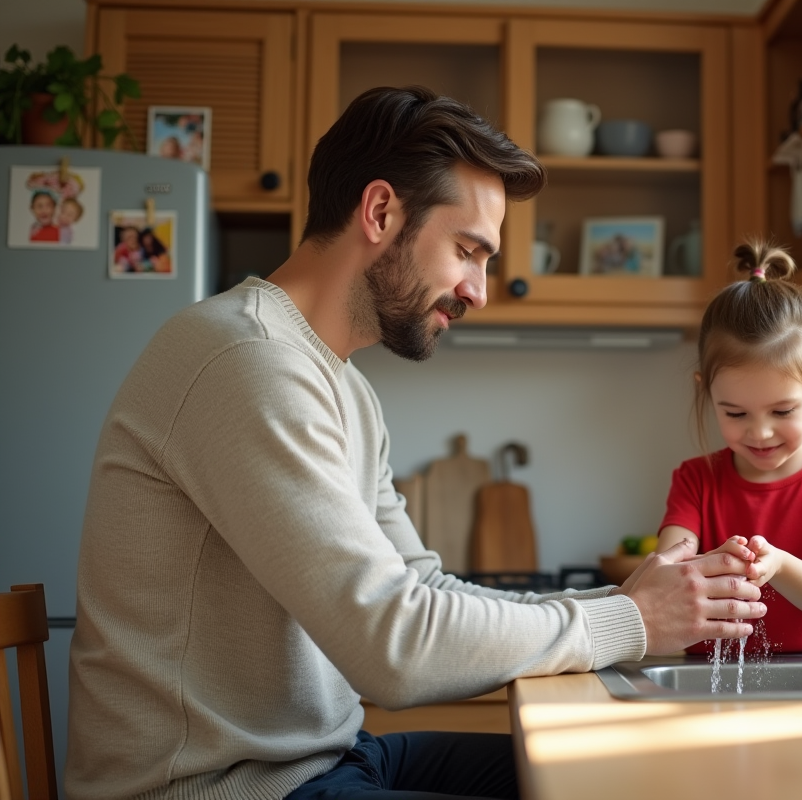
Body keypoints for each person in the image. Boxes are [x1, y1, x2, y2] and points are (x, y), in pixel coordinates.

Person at [65, 85, 765, 800]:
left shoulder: (339, 386)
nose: (480, 290)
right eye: (468, 250)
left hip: (321, 760)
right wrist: (630, 618)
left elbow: (420, 590)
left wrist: (620, 604)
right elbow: (393, 649)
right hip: (222, 787)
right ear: (380, 212)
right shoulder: (247, 359)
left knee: (615, 773)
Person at [656, 240, 802, 659]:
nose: (760, 433)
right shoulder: (695, 479)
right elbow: (666, 576)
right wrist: (710, 564)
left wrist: (777, 564)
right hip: (714, 680)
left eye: (782, 410)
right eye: (736, 414)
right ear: (706, 393)